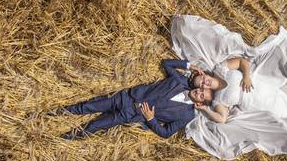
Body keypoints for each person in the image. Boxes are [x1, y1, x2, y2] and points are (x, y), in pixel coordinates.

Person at [170, 14, 287, 160]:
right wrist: (205, 110)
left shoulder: (220, 69)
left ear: (204, 74)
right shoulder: (218, 100)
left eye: (202, 80)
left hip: (263, 88)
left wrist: (246, 76)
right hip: (258, 103)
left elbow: (243, 62)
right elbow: (222, 119)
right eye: (202, 87)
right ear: (205, 91)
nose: (204, 84)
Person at [44, 59, 214, 140]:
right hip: (125, 97)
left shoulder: (186, 115)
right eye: (201, 89)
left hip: (131, 115)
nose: (199, 91)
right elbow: (166, 64)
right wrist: (189, 65)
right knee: (85, 107)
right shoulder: (180, 81)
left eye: (202, 95)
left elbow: (166, 133)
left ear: (199, 103)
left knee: (95, 126)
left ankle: (60, 139)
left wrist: (151, 119)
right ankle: (50, 114)